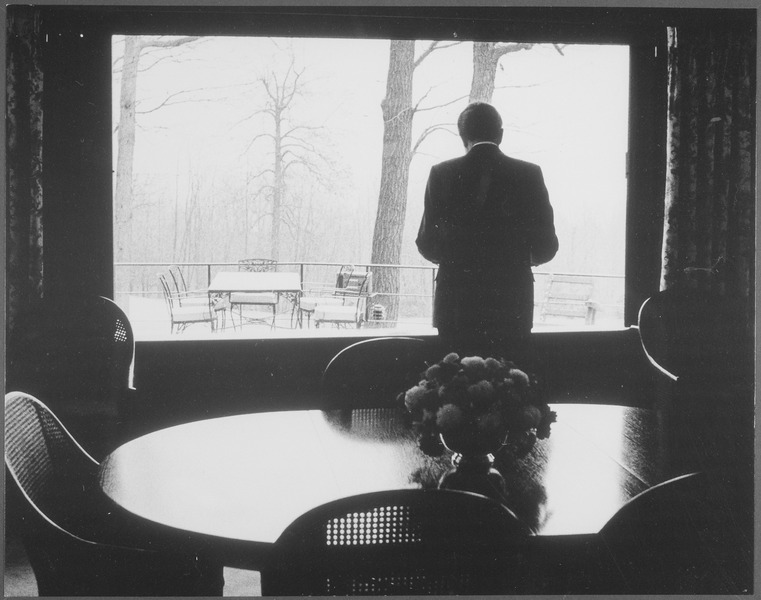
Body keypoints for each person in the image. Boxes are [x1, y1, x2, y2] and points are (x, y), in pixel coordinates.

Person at [416, 102, 558, 359]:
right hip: (511, 301)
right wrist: (516, 259)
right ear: (500, 134)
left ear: (463, 137)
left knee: (455, 384)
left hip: (457, 301)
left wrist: (455, 260)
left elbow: (427, 242)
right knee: (510, 380)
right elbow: (547, 246)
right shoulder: (529, 175)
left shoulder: (442, 174)